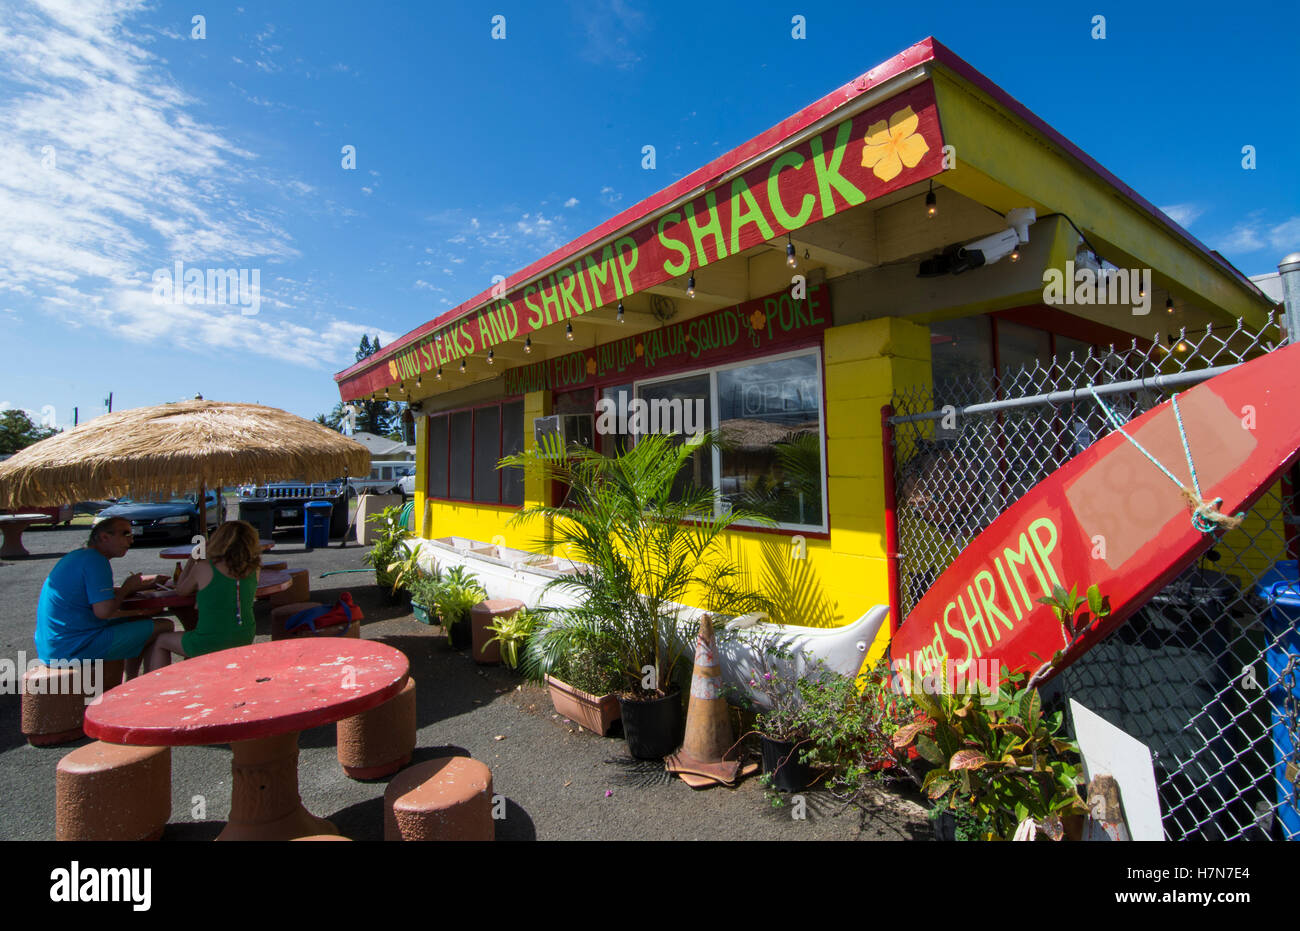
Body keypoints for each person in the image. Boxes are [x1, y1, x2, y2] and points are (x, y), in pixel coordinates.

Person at [35, 516, 173, 678]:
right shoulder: (96, 561)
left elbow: (91, 595)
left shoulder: (79, 557)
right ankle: (149, 686)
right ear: (104, 537)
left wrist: (131, 590)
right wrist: (127, 588)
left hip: (54, 646)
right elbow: (104, 611)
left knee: (140, 622)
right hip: (73, 648)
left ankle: (132, 679)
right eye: (125, 534)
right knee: (164, 625)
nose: (131, 540)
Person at [144, 520, 261, 670]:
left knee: (161, 641)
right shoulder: (254, 568)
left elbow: (181, 590)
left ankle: (156, 688)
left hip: (210, 640)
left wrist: (193, 559)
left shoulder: (205, 567)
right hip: (244, 635)